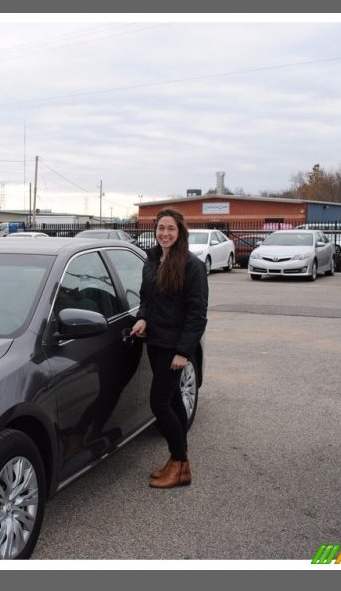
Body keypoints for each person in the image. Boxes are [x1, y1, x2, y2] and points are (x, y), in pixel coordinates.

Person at [130, 208, 208, 489]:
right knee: (174, 399)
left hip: (173, 346)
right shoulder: (151, 260)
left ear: (180, 232)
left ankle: (180, 461)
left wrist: (183, 352)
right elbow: (146, 299)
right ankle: (179, 464)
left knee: (159, 403)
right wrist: (142, 319)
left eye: (170, 229)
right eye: (161, 228)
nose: (165, 233)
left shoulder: (191, 266)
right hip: (155, 341)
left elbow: (197, 314)